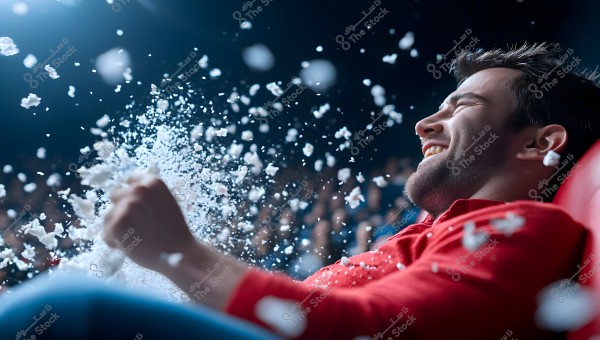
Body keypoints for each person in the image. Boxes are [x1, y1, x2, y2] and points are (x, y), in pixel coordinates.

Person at [2, 43, 599, 339]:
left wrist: (177, 252)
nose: (424, 125)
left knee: (74, 304)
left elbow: (370, 330)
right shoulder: (429, 234)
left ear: (535, 144)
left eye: (463, 106)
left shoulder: (525, 229)